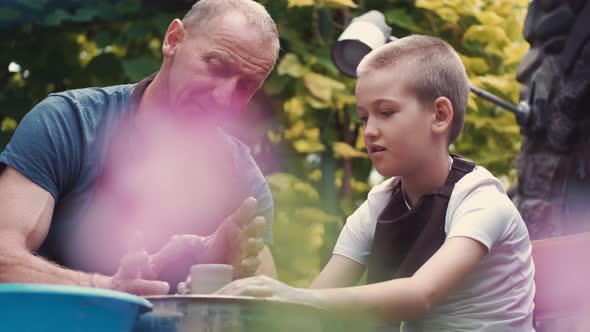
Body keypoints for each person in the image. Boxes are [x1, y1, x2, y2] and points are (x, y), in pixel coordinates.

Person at [218, 35, 536, 331]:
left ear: (439, 115)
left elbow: (421, 294)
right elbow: (315, 304)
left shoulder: (480, 200)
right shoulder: (379, 205)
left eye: (385, 112)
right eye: (364, 117)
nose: (369, 131)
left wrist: (294, 297)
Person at [0, 0, 280, 295]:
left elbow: (268, 308)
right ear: (173, 40)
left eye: (247, 86)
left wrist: (229, 278)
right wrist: (106, 288)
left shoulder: (242, 177)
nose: (224, 100)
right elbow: (3, 259)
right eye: (217, 66)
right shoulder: (70, 122)